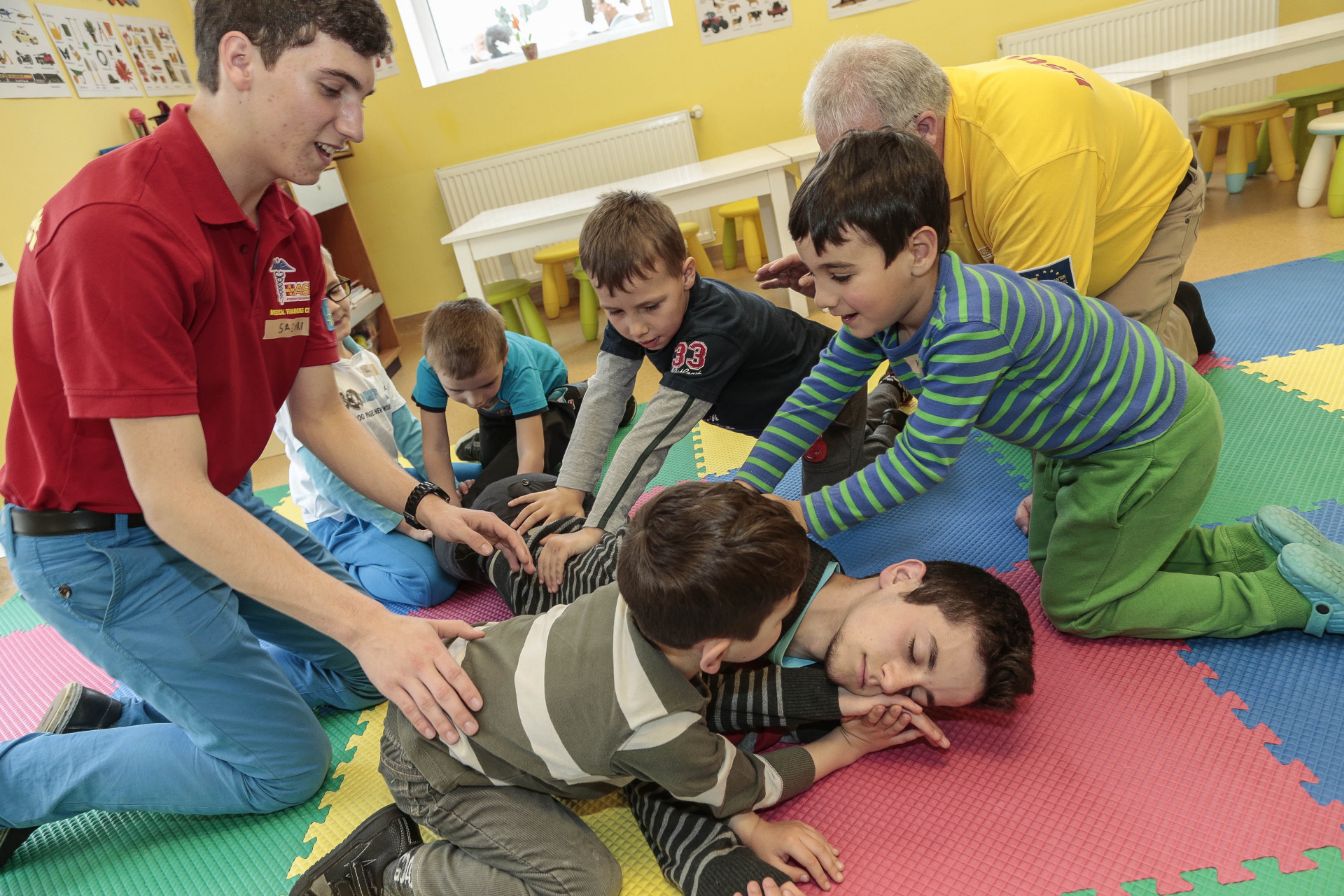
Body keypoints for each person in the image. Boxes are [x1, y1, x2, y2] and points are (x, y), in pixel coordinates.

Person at [0, 0, 532, 869]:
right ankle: (17, 778)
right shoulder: (117, 230)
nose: (352, 126)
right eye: (332, 89)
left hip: (214, 511)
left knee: (373, 667)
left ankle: (141, 711)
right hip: (100, 550)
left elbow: (317, 415)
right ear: (241, 58)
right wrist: (366, 624)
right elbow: (169, 498)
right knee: (283, 765)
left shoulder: (283, 223)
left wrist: (430, 506)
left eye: (362, 95)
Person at [740, 128, 1343, 644]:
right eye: (814, 276)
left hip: (1147, 439)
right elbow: (815, 395)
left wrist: (800, 514)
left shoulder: (965, 326)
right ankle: (1251, 546)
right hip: (1080, 439)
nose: (821, 297)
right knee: (1051, 560)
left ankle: (1282, 598)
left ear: (919, 250)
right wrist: (747, 486)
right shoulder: (885, 306)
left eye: (838, 274)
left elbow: (922, 462)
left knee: (1080, 605)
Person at [291, 482, 931, 896]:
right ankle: (397, 876)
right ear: (714, 652)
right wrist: (849, 743)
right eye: (778, 616)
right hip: (443, 767)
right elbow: (744, 783)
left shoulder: (631, 590)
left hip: (443, 700)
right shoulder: (657, 723)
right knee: (584, 881)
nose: (786, 623)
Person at [437, 473, 1036, 895]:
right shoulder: (764, 568)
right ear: (901, 576)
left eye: (917, 697)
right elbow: (661, 728)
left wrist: (722, 864)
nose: (892, 681)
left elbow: (670, 768)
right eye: (915, 651)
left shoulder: (816, 701)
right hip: (525, 531)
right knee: (446, 562)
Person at [758, 36, 1215, 368]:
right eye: (835, 157)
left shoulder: (1027, 162)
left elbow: (1041, 330)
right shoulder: (916, 117)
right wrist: (841, 265)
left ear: (924, 129)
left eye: (864, 161)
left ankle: (1177, 318)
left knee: (1118, 377)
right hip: (1044, 204)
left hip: (1148, 197)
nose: (853, 178)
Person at [506, 190, 859, 590]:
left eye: (651, 307)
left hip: (830, 406)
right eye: (615, 311)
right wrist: (571, 487)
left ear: (687, 274)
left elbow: (651, 437)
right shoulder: (635, 312)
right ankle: (883, 409)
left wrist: (598, 528)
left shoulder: (713, 330)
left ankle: (883, 414)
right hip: (765, 418)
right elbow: (603, 397)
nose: (635, 328)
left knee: (825, 523)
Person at [272, 252, 475, 608]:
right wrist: (406, 522)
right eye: (315, 300)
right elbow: (332, 484)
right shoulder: (294, 385)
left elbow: (411, 436)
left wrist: (444, 493)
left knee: (481, 475)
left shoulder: (364, 360)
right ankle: (338, 569)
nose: (334, 306)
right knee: (428, 582)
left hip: (390, 486)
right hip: (343, 518)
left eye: (335, 290)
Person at [412, 298, 578, 507]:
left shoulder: (520, 370)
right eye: (457, 390)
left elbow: (531, 454)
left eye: (487, 383)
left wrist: (512, 505)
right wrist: (450, 503)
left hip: (548, 394)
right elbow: (434, 447)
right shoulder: (428, 369)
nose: (475, 400)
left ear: (504, 357)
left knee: (535, 466)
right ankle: (480, 442)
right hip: (497, 411)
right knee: (493, 471)